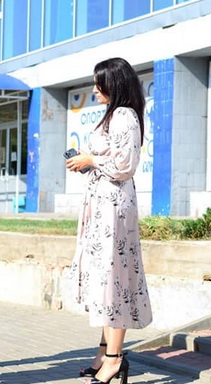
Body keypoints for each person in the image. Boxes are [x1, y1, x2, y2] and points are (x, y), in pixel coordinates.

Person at [65, 57, 153, 384]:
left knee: (113, 278)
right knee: (105, 279)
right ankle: (105, 353)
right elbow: (111, 160)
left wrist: (91, 159)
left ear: (113, 84)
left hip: (114, 208)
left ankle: (114, 359)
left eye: (98, 83)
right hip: (104, 205)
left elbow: (125, 165)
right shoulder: (114, 115)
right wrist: (89, 162)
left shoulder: (125, 115)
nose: (94, 89)